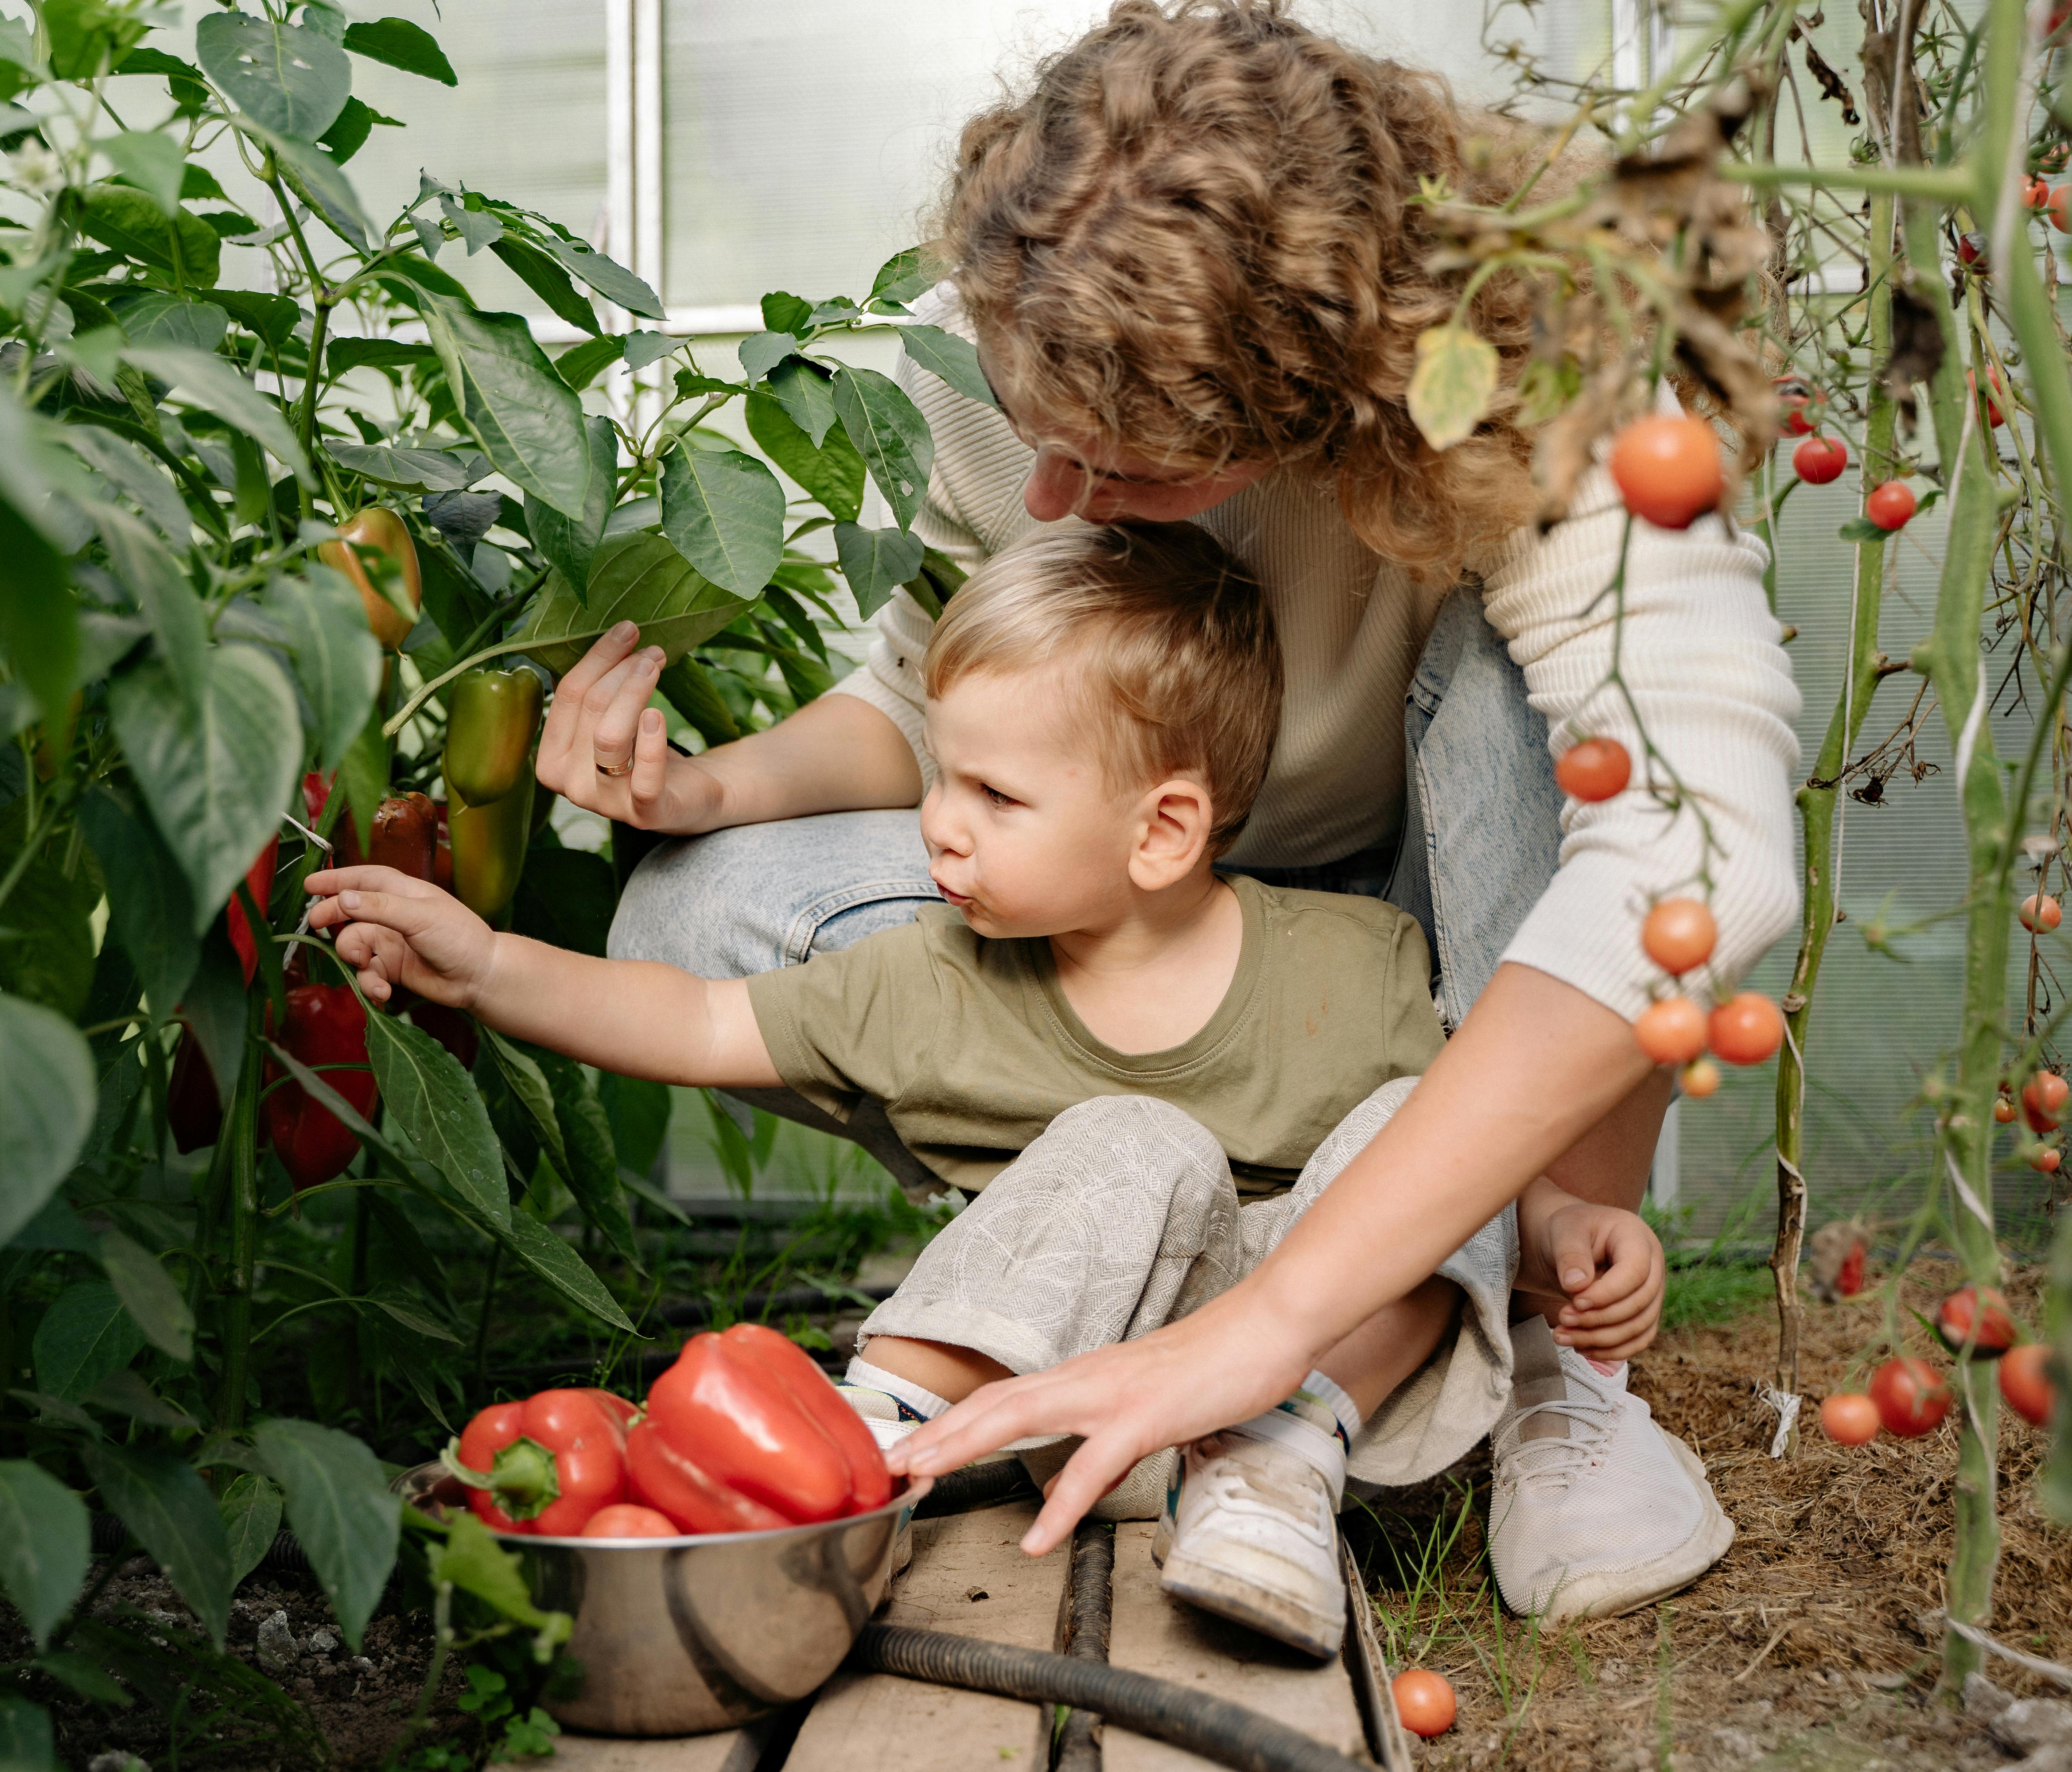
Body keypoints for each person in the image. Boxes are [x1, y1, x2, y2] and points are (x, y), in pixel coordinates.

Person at [534, 0, 1798, 1620]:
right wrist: (700, 788)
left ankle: (1525, 1332)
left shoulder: (1553, 379)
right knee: (699, 903)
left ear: (1317, 396)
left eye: (1122, 469)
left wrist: (1256, 1337)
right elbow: (924, 695)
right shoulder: (1024, 330)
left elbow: (1698, 846)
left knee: (1552, 715)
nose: (1051, 505)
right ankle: (1170, 1235)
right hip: (1144, 927)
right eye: (1034, 443)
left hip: (1428, 935)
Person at [308, 523, 1669, 1657]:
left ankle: (1271, 1469)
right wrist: (486, 963)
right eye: (939, 774)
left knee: (1415, 1128)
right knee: (1131, 1137)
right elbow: (695, 1013)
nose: (936, 824)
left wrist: (1560, 1230)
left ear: (1165, 831)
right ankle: (862, 1450)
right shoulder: (938, 977)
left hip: (1324, 1394)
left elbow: (1473, 1157)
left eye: (993, 794)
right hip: (1066, 1400)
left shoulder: (1355, 964)